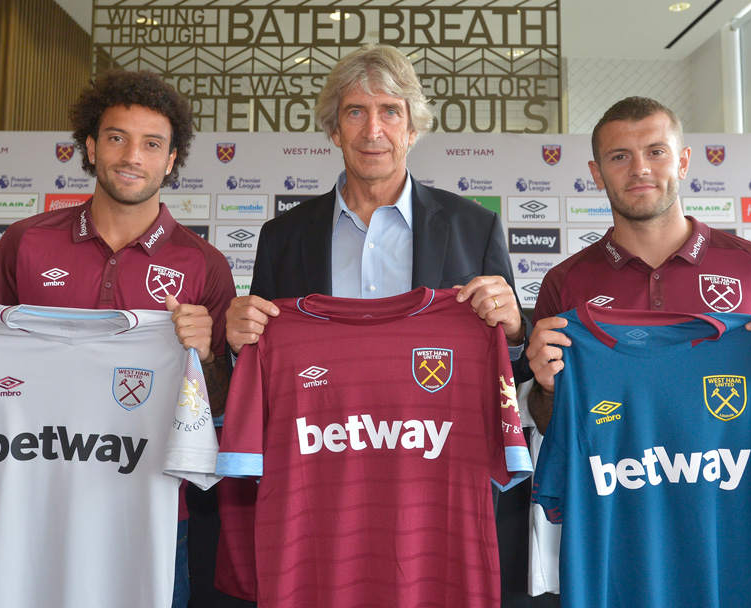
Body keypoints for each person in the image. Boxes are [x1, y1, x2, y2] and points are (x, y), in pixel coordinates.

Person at [214, 44, 531, 602]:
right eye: (355, 112)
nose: (373, 130)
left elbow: (507, 368)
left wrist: (512, 329)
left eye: (390, 111)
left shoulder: (473, 227)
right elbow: (263, 369)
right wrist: (239, 340)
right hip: (326, 487)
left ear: (413, 128)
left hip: (432, 483)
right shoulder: (282, 237)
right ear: (334, 131)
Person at [0, 69, 236, 608]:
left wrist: (207, 353)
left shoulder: (203, 265)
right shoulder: (25, 242)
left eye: (152, 144)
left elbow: (227, 405)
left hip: (149, 509)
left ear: (171, 160)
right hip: (26, 500)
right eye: (116, 138)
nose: (132, 156)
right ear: (90, 148)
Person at [525, 96, 751, 435]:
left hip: (731, 484)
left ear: (683, 162)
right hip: (614, 485)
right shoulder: (564, 281)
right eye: (620, 156)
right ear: (597, 174)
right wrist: (549, 391)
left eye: (656, 152)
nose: (640, 168)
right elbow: (547, 424)